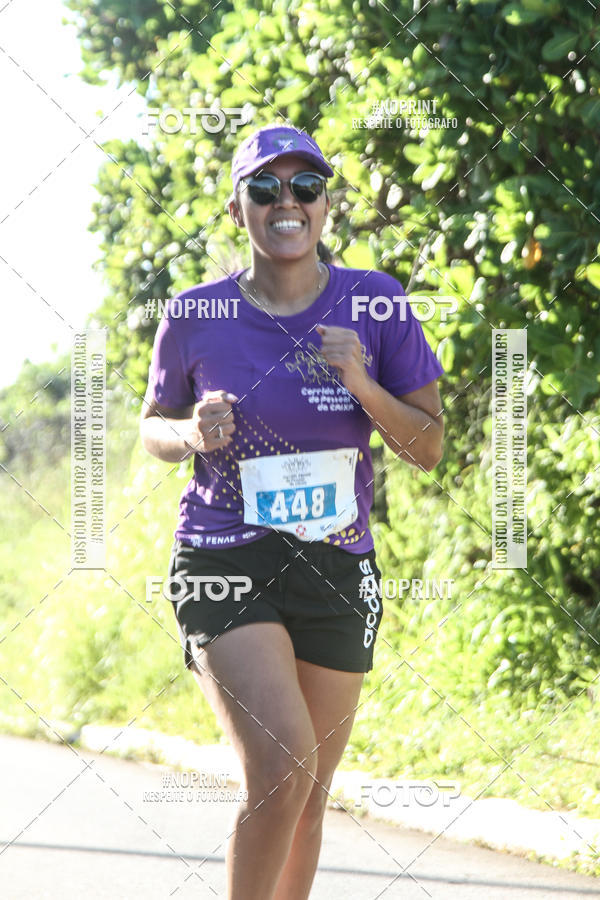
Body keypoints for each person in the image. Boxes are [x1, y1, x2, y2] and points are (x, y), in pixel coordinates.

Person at [140, 123, 444, 900]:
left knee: (309, 795)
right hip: (226, 556)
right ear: (238, 205)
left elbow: (428, 446)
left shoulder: (374, 303)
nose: (286, 202)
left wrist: (365, 387)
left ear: (325, 203)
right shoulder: (195, 314)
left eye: (304, 186)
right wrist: (189, 429)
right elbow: (154, 428)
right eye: (264, 187)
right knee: (283, 766)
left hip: (338, 563)